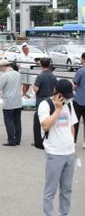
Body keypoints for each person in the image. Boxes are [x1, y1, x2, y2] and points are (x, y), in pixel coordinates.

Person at [38, 79, 77, 216]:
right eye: (64, 96)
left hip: (69, 153)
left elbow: (71, 126)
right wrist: (58, 109)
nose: (67, 99)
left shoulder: (70, 104)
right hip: (55, 153)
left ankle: (64, 213)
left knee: (67, 189)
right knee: (51, 190)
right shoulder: (45, 105)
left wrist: (73, 146)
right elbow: (45, 126)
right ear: (57, 93)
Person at [0, 60, 22, 146]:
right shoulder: (18, 74)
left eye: (0, 68)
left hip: (8, 101)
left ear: (3, 66)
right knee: (17, 121)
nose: (1, 70)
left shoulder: (5, 75)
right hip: (18, 101)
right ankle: (18, 139)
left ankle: (11, 140)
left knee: (9, 121)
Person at [73, 52, 85, 146]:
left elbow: (75, 85)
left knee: (75, 122)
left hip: (79, 100)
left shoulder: (80, 71)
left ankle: (73, 141)